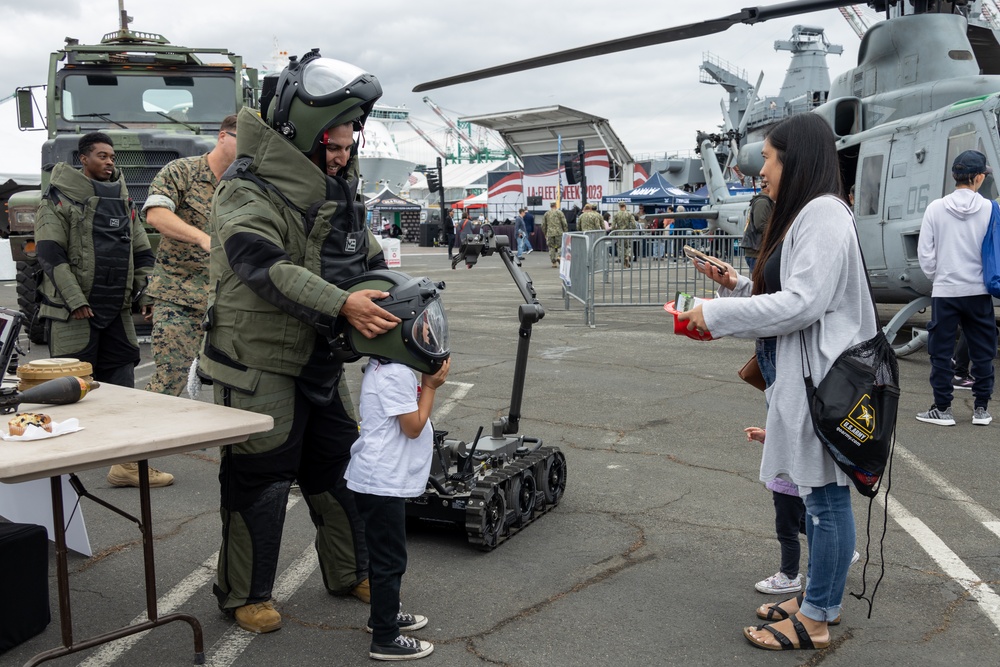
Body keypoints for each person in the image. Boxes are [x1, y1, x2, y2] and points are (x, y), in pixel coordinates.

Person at [198, 52, 399, 634]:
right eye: (331, 145)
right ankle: (243, 594)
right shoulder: (246, 191)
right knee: (259, 477)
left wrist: (405, 305)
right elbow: (264, 265)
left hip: (320, 356)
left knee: (340, 468)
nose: (340, 155)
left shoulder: (340, 192)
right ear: (304, 136)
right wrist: (343, 304)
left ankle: (349, 569)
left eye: (347, 145)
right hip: (257, 360)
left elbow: (368, 260)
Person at [679, 113, 875, 651]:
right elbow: (797, 294)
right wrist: (738, 284)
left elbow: (804, 303)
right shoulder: (813, 214)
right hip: (809, 377)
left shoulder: (824, 215)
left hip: (823, 381)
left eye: (766, 157)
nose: (759, 169)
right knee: (818, 499)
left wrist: (713, 312)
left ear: (795, 158)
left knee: (826, 502)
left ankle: (814, 619)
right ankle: (817, 597)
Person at [35, 133, 163, 481]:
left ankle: (126, 466)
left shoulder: (123, 201)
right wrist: (75, 301)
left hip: (116, 312)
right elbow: (50, 255)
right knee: (68, 392)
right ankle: (54, 470)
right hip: (73, 314)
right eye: (102, 156)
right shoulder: (58, 201)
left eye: (112, 157)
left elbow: (143, 253)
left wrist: (146, 293)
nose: (110, 162)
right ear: (83, 160)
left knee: (123, 394)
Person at [345, 355, 451, 660]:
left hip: (378, 479)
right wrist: (430, 386)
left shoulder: (383, 367)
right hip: (381, 482)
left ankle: (384, 616)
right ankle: (385, 638)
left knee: (384, 556)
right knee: (390, 560)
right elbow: (413, 427)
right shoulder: (396, 374)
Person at [916, 149, 996, 426]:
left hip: (946, 292)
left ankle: (942, 409)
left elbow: (925, 253)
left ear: (954, 176)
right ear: (978, 177)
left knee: (940, 351)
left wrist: (939, 277)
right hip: (979, 291)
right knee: (983, 350)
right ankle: (981, 409)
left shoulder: (935, 208)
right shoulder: (991, 208)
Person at [742, 179, 773, 271]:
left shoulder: (764, 201)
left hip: (757, 251)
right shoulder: (762, 202)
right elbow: (760, 225)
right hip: (757, 252)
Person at [541, 201, 567, 268]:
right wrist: (565, 231)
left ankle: (553, 262)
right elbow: (564, 223)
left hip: (550, 233)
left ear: (550, 206)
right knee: (560, 246)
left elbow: (543, 225)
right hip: (559, 232)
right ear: (556, 205)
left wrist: (545, 233)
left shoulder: (547, 214)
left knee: (551, 247)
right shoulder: (560, 213)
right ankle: (559, 256)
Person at [610, 202, 637, 268]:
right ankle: (628, 256)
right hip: (628, 233)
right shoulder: (629, 214)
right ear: (625, 206)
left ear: (619, 206)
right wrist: (631, 229)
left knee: (620, 248)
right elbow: (634, 225)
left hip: (620, 233)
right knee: (629, 246)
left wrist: (616, 229)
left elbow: (613, 226)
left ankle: (623, 260)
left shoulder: (616, 215)